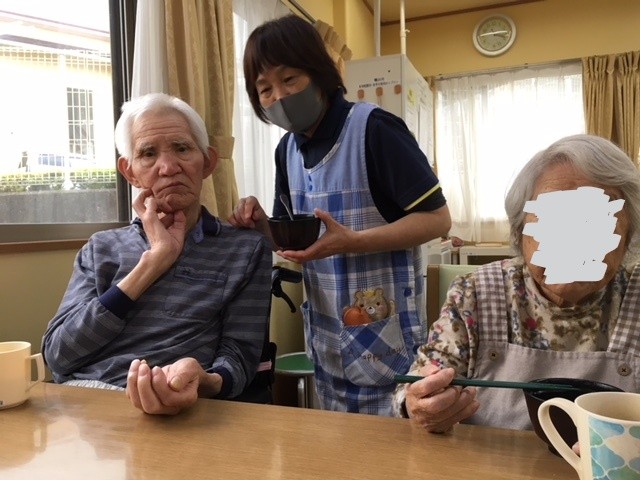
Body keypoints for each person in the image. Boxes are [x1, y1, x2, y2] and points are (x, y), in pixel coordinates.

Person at [228, 14, 451, 415]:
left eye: (289, 79)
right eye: (264, 89)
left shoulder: (375, 129)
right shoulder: (286, 151)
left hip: (386, 347)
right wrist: (261, 223)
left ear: (318, 73)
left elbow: (438, 219)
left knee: (394, 445)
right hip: (326, 344)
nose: (279, 97)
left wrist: (354, 241)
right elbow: (293, 243)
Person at [42, 93, 273, 415]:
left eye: (182, 148)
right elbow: (58, 356)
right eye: (148, 154)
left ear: (207, 162)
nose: (168, 167)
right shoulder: (100, 248)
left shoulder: (244, 249)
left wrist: (204, 381)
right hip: (89, 403)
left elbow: (241, 356)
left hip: (184, 405)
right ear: (130, 172)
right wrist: (152, 264)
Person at [393, 134, 640, 432]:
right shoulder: (474, 294)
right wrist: (420, 403)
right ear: (519, 232)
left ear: (628, 237)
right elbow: (415, 388)